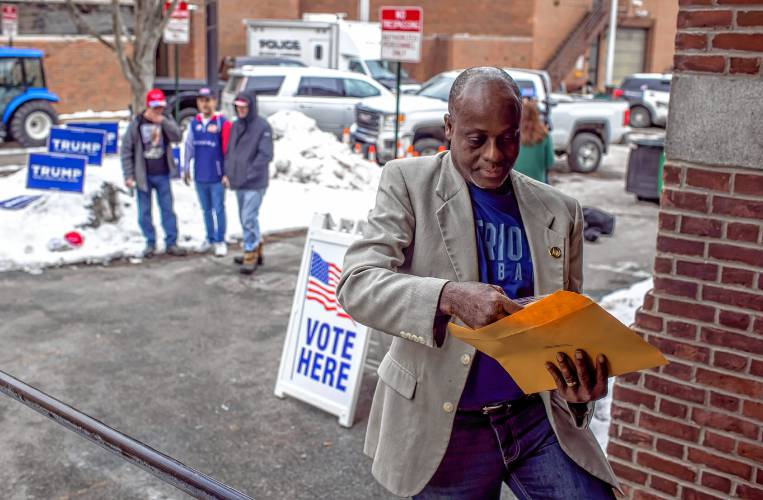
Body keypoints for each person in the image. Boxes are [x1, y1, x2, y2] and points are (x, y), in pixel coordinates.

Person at [336, 67, 619, 499]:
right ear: (449, 127)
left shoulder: (560, 211)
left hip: (537, 419)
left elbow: (568, 325)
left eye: (508, 137)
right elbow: (357, 283)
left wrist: (580, 392)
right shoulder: (408, 183)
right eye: (476, 139)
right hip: (446, 429)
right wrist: (447, 297)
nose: (494, 155)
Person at [122, 88, 187, 258]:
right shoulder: (137, 123)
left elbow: (177, 136)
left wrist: (163, 121)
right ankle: (150, 242)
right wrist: (128, 175)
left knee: (167, 209)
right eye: (155, 107)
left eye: (161, 107)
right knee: (144, 211)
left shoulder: (166, 119)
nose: (158, 110)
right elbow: (126, 150)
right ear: (148, 106)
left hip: (162, 173)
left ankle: (171, 242)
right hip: (143, 175)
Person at [224, 92, 273, 275]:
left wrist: (249, 174)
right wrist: (229, 172)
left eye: (244, 107)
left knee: (248, 217)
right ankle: (256, 249)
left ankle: (250, 252)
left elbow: (265, 155)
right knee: (247, 218)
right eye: (238, 107)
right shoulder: (236, 125)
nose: (241, 110)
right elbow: (231, 151)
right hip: (239, 182)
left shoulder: (262, 126)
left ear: (251, 106)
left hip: (255, 183)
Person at [183, 87, 232, 257]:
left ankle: (220, 240)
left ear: (214, 101)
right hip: (200, 175)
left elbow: (228, 149)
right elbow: (189, 146)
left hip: (217, 175)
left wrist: (227, 173)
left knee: (218, 208)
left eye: (208, 100)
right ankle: (209, 238)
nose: (205, 104)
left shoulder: (221, 123)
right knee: (206, 210)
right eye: (202, 100)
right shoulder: (194, 123)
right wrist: (186, 167)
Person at [512, 98, 555, 183]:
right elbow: (550, 162)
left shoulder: (513, 135)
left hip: (516, 184)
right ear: (537, 115)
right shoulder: (545, 135)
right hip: (538, 184)